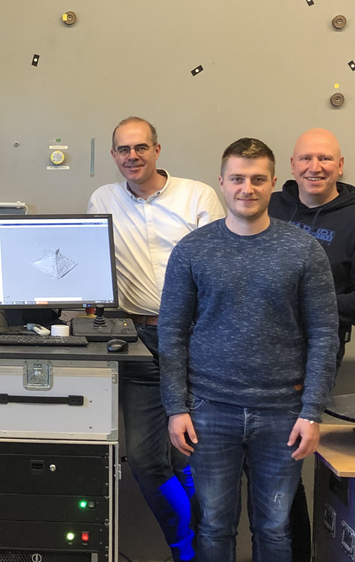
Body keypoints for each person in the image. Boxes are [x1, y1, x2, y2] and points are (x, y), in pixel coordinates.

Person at [160, 138, 339, 562]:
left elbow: (324, 334)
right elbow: (172, 331)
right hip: (208, 410)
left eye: (258, 180)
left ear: (274, 183)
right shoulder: (193, 249)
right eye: (238, 179)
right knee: (213, 527)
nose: (247, 188)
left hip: (283, 413)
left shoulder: (303, 250)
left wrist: (312, 411)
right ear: (221, 182)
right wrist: (176, 407)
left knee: (275, 530)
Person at [86, 116, 223, 562]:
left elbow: (220, 263)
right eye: (123, 150)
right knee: (147, 459)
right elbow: (94, 263)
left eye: (141, 147)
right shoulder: (102, 199)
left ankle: (204, 549)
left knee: (194, 456)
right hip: (138, 339)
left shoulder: (198, 195)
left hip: (196, 338)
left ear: (157, 149)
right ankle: (188, 549)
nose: (132, 156)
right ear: (113, 155)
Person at [267, 128, 355, 562]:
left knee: (283, 467)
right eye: (305, 159)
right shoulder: (271, 206)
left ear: (340, 166)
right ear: (292, 165)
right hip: (252, 354)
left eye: (324, 159)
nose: (313, 168)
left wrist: (310, 305)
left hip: (312, 358)